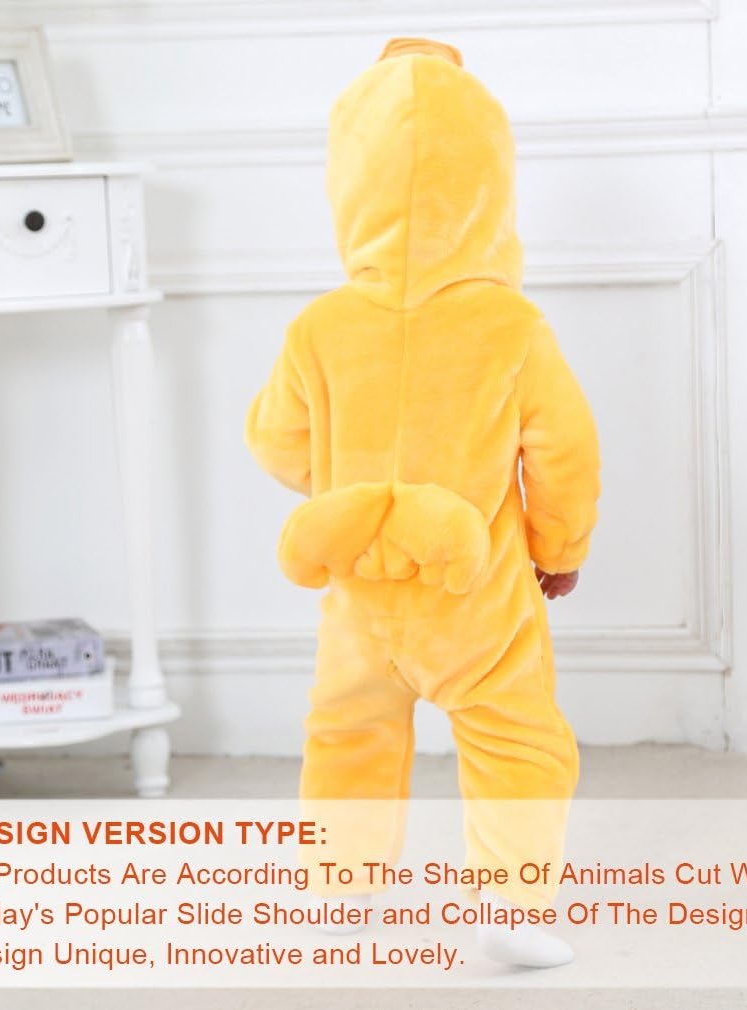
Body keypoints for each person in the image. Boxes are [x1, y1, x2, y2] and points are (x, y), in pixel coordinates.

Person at [245, 36, 600, 968]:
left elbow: (275, 441)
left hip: (359, 596)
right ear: (490, 185)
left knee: (348, 732)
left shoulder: (320, 327)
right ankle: (511, 910)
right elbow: (565, 453)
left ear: (350, 184)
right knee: (516, 737)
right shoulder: (510, 327)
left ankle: (340, 893)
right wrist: (559, 549)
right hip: (474, 592)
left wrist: (343, 487)